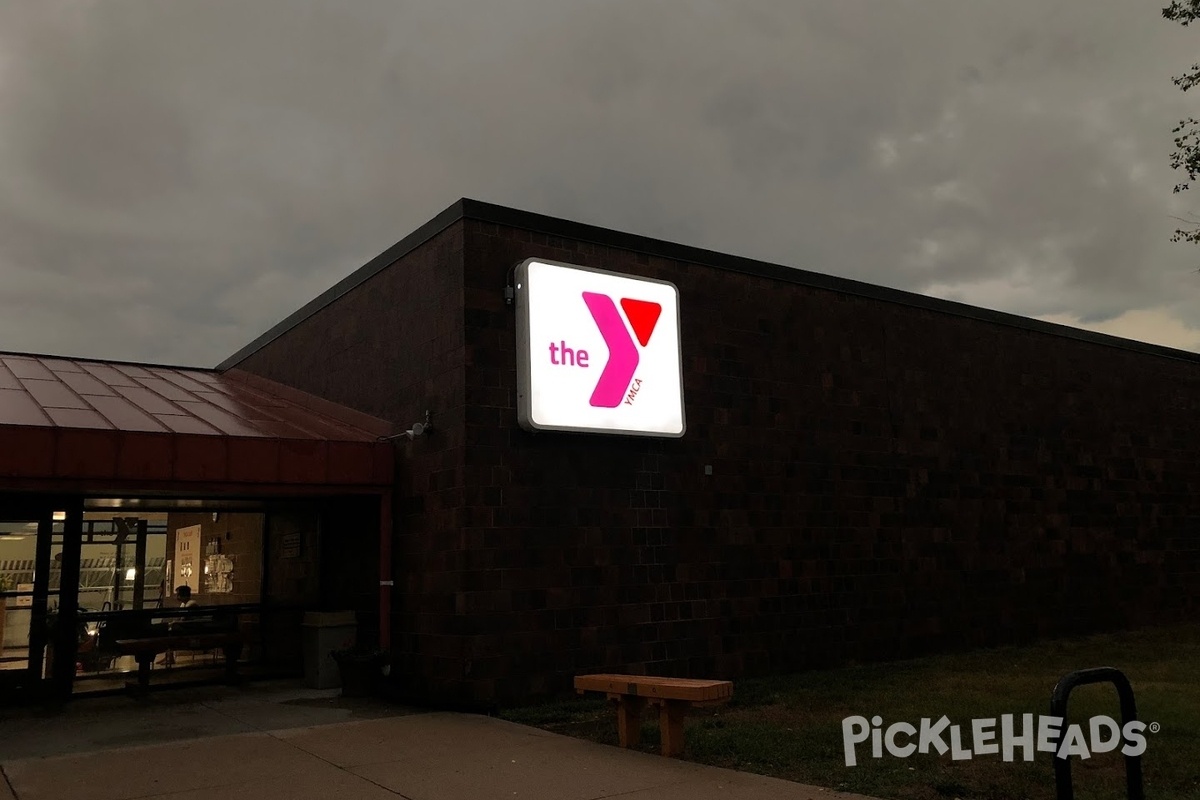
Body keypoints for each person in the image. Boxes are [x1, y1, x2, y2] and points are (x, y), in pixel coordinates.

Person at [157, 585, 197, 666]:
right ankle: (168, 656)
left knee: (169, 633)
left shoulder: (190, 605)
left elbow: (184, 619)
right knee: (168, 631)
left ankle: (170, 657)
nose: (177, 596)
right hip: (186, 627)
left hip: (190, 629)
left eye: (178, 594)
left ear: (184, 595)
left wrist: (174, 623)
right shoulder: (184, 604)